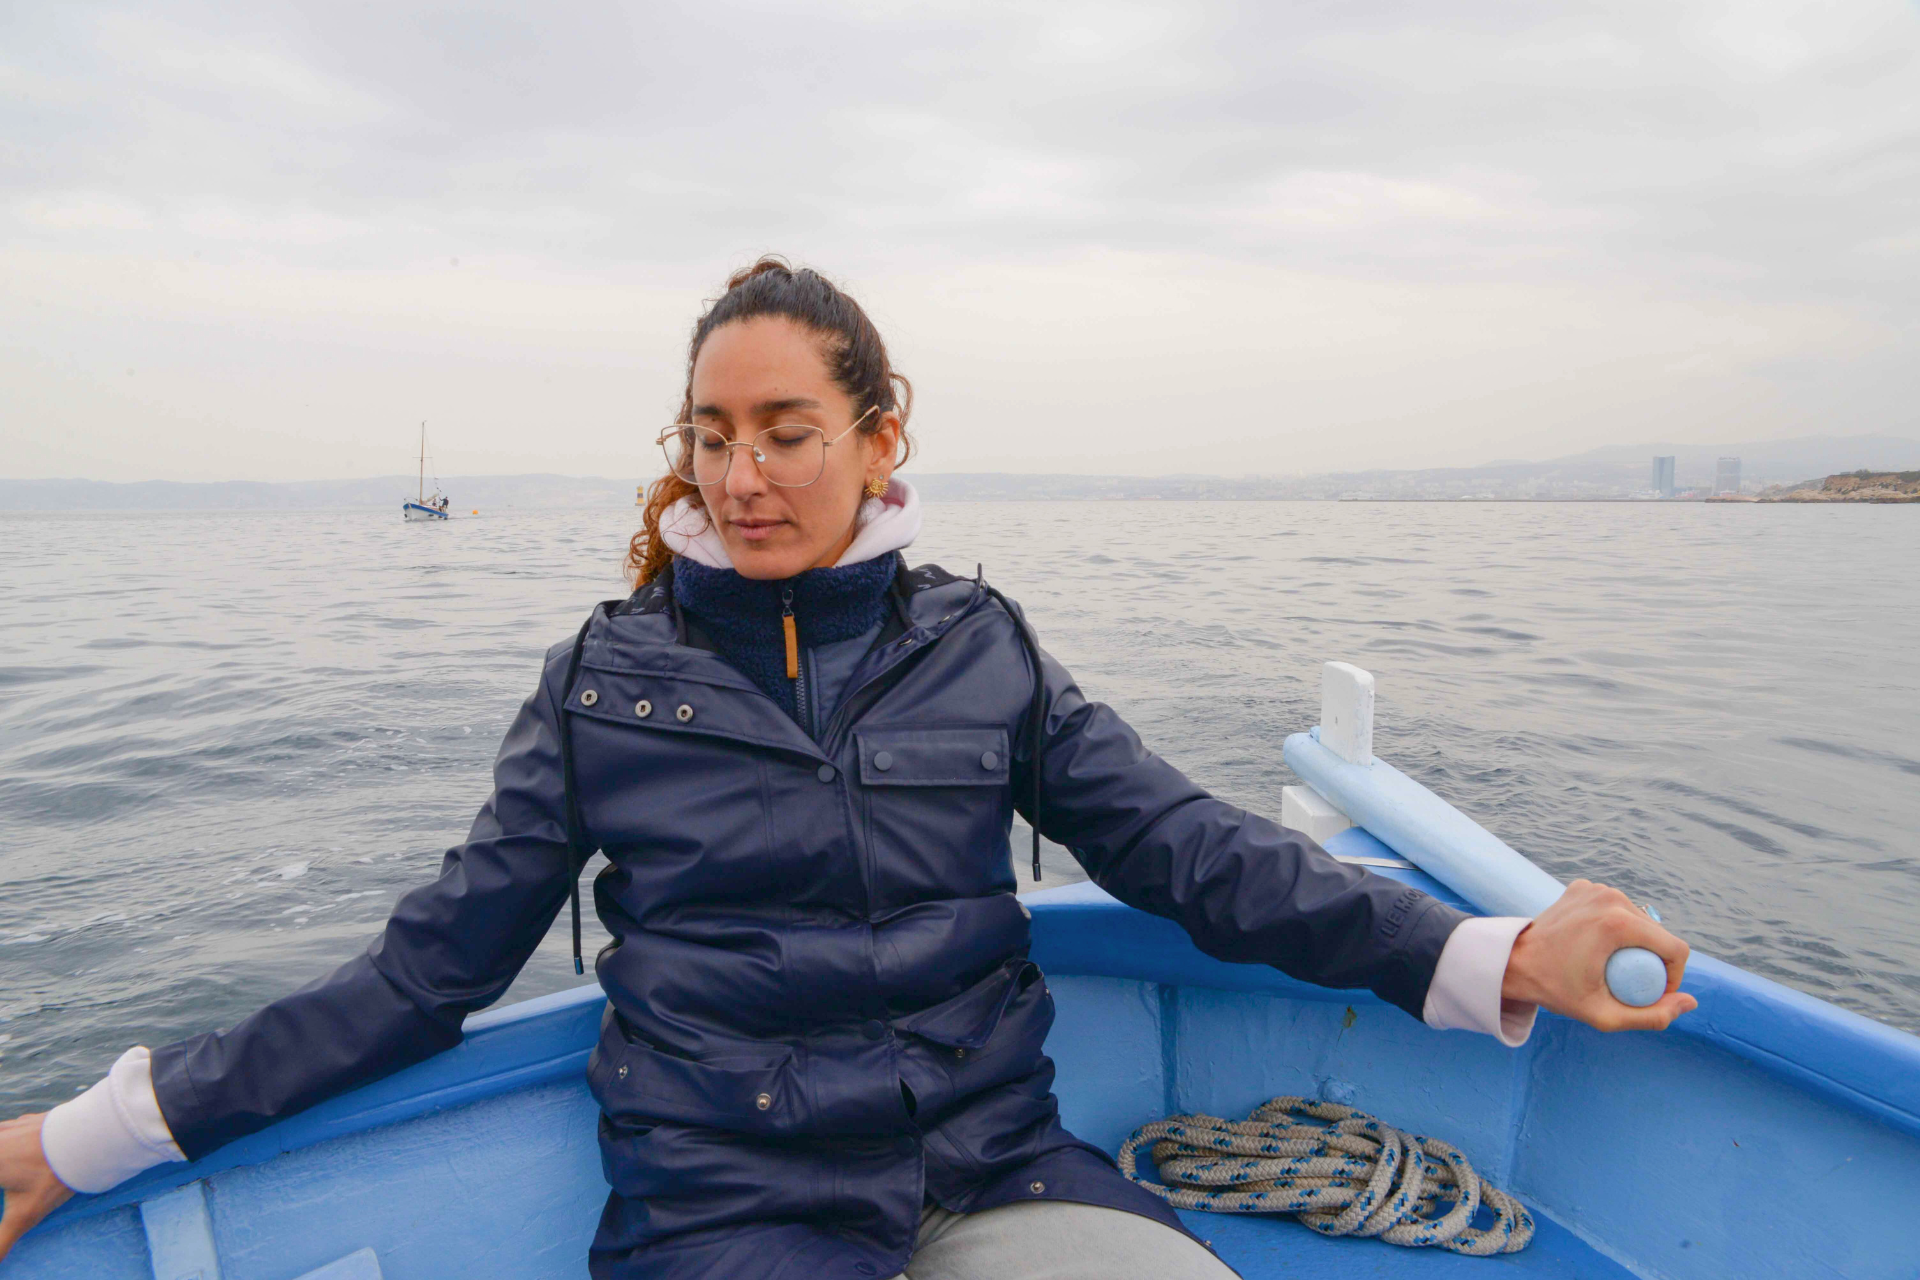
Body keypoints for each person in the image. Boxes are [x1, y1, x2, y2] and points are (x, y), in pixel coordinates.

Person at [0, 259, 1695, 1279]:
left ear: (881, 439)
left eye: (786, 432)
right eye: (711, 435)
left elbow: (1189, 849)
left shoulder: (983, 647)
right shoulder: (603, 685)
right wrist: (94, 1136)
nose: (742, 477)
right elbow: (426, 971)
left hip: (995, 1166)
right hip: (726, 1210)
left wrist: (1488, 951)